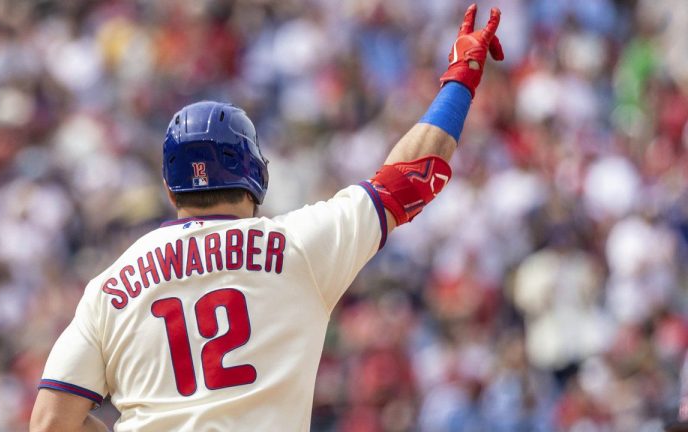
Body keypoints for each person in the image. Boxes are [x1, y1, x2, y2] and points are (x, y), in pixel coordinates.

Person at [29, 4, 504, 431]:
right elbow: (412, 177)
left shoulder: (111, 287)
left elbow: (50, 424)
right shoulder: (299, 245)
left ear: (171, 184)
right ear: (252, 169)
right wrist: (459, 82)